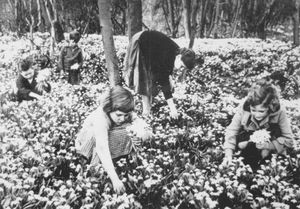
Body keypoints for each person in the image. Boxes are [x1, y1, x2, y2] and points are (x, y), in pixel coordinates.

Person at [75, 86, 152, 194]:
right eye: (119, 115)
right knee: (120, 132)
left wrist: (143, 132)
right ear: (109, 108)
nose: (122, 118)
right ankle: (94, 167)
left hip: (109, 137)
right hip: (91, 142)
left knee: (128, 128)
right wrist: (115, 179)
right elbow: (102, 148)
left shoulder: (122, 111)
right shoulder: (100, 118)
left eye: (125, 115)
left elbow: (138, 122)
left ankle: (123, 158)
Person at [222, 79, 294, 170]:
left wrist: (268, 146)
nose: (257, 115)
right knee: (241, 145)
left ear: (270, 107)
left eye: (261, 111)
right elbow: (231, 131)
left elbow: (289, 141)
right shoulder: (244, 108)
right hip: (249, 141)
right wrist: (228, 154)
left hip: (271, 143)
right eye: (253, 110)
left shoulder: (280, 112)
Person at [124, 30, 196, 118]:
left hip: (150, 45)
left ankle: (147, 110)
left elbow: (166, 71)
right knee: (144, 80)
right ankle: (145, 112)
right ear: (179, 57)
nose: (180, 69)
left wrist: (170, 80)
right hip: (141, 41)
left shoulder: (177, 51)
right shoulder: (169, 56)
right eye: (182, 65)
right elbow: (164, 81)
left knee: (153, 78)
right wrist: (172, 108)